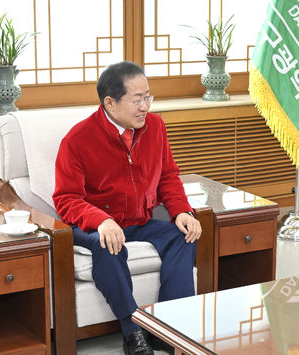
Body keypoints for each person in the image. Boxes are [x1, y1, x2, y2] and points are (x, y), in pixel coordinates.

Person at [53, 61, 201, 355]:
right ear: (109, 102)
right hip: (92, 226)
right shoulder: (77, 139)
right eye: (137, 99)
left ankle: (168, 325)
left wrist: (181, 210)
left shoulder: (155, 127)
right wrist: (101, 221)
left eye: (148, 97)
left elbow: (168, 176)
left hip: (138, 220)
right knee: (108, 245)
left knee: (183, 235)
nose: (145, 106)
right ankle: (133, 329)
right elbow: (66, 199)